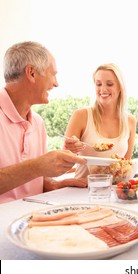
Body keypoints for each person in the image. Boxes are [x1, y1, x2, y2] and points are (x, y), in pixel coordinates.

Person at [0, 41, 87, 203]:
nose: (56, 83)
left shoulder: (38, 123)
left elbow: (29, 181)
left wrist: (52, 185)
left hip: (32, 220)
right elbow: (33, 169)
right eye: (53, 74)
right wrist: (37, 166)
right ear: (31, 73)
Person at [64, 63, 136, 178]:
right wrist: (69, 148)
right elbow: (64, 160)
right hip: (82, 190)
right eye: (98, 84)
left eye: (109, 84)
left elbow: (126, 165)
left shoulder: (130, 121)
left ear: (120, 87)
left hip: (115, 191)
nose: (103, 89)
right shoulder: (81, 116)